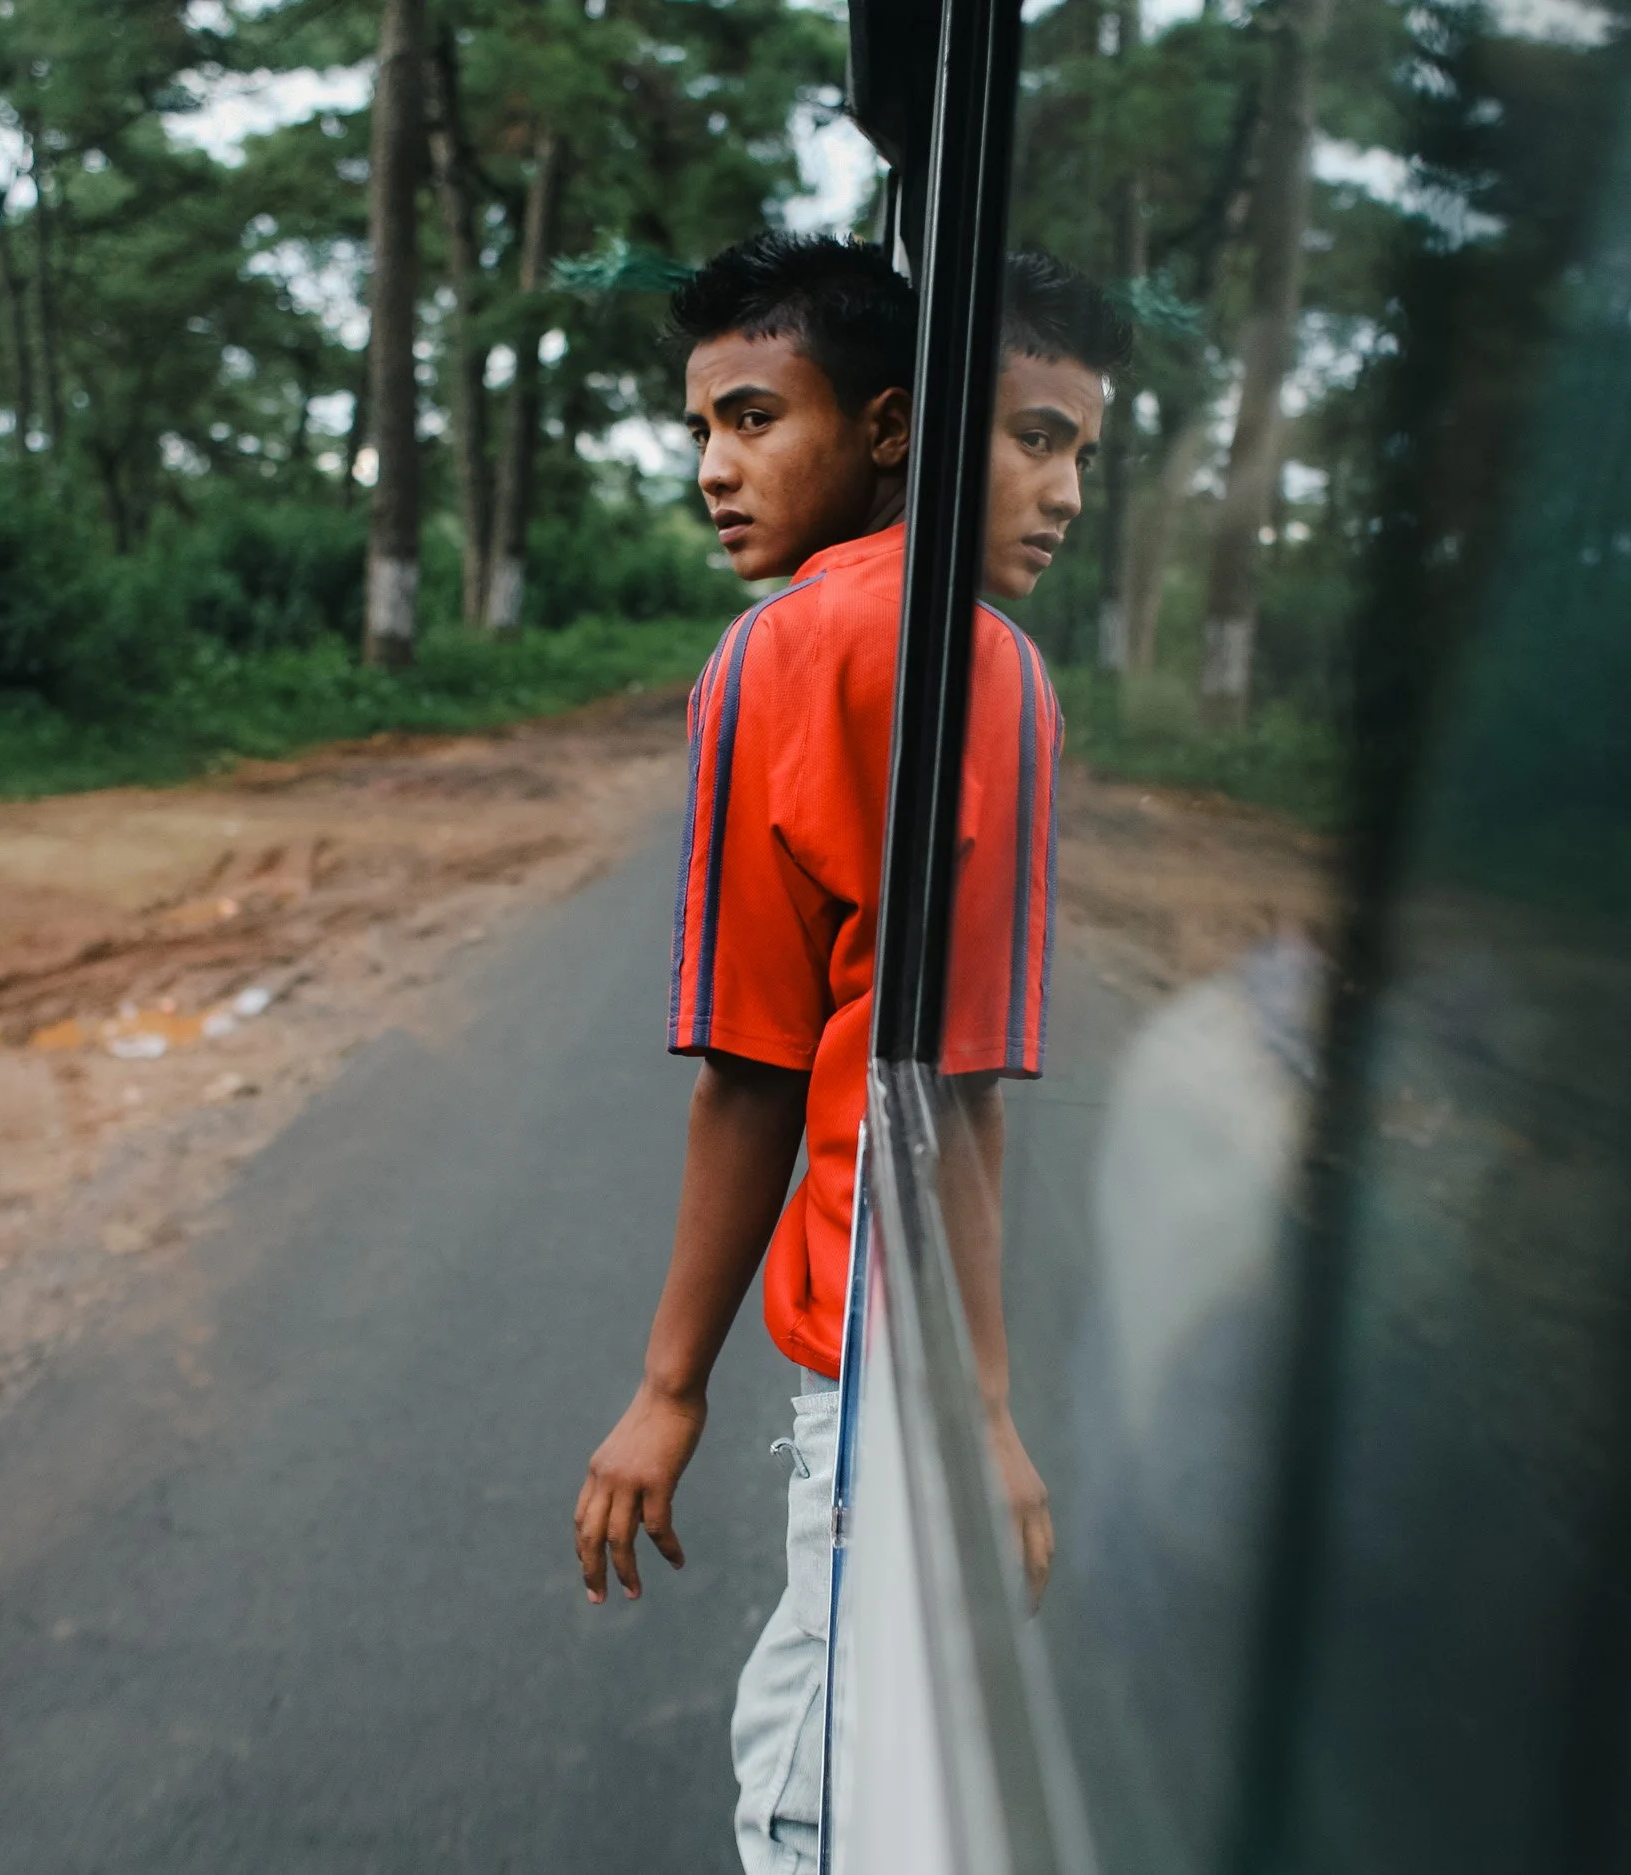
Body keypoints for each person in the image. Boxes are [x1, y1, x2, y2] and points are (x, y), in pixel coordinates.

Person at [570, 232, 1131, 1875]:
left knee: (814, 1815)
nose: (713, 470)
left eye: (752, 419)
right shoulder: (996, 669)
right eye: (704, 428)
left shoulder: (785, 652)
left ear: (888, 429)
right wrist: (991, 1407)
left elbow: (756, 1066)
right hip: (911, 1369)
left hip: (877, 1375)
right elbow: (952, 1084)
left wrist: (669, 1388)